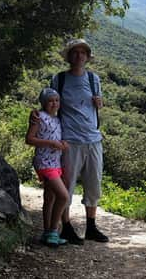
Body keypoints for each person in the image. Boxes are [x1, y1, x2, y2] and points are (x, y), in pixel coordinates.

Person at [31, 38, 109, 244]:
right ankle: (65, 227)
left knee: (94, 184)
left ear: (87, 57)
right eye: (75, 52)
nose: (79, 56)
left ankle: (91, 227)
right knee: (68, 185)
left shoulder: (94, 79)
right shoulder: (60, 79)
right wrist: (37, 116)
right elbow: (50, 103)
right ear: (69, 56)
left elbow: (98, 105)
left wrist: (100, 104)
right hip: (69, 140)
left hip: (93, 139)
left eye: (83, 53)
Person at [25, 88, 70, 247]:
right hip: (44, 162)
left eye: (57, 100)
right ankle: (53, 230)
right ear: (44, 103)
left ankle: (46, 233)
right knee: (63, 196)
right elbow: (29, 139)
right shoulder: (39, 118)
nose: (54, 103)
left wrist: (62, 144)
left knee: (49, 198)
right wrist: (51, 144)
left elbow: (57, 137)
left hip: (56, 162)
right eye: (50, 101)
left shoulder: (58, 119)